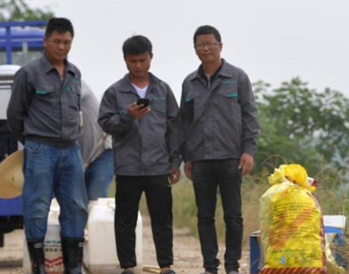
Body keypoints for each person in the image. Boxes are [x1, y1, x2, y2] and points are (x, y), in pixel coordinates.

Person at [6, 17, 88, 274]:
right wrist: (31, 141)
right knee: (37, 206)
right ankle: (39, 267)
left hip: (70, 150)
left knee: (76, 206)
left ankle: (73, 267)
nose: (61, 47)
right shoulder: (28, 73)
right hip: (40, 148)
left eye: (66, 42)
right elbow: (14, 115)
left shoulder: (75, 73)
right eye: (56, 41)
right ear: (45, 41)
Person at [179, 25, 260, 274]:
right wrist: (186, 157)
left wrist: (248, 150)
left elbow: (250, 115)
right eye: (200, 45)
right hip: (201, 159)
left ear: (220, 47)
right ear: (195, 50)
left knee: (233, 215)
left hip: (230, 157)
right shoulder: (190, 83)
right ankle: (210, 266)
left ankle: (232, 266)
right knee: (204, 216)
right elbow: (183, 123)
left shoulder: (237, 77)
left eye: (210, 44)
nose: (205, 49)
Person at [98, 35, 181, 274]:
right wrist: (128, 116)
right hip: (128, 167)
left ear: (151, 58)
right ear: (125, 60)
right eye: (133, 60)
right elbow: (105, 123)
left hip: (159, 166)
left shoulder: (163, 90)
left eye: (142, 60)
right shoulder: (115, 92)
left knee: (162, 218)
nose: (138, 65)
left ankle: (166, 266)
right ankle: (128, 267)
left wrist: (175, 162)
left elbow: (174, 128)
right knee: (125, 220)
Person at [79, 80, 115, 201]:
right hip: (77, 158)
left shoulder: (76, 84)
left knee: (95, 200)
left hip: (102, 151)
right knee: (75, 203)